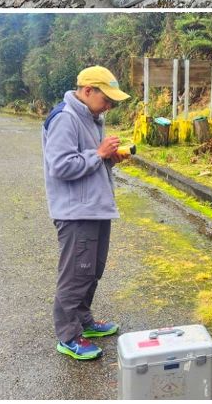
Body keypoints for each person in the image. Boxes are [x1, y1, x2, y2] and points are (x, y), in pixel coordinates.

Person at [42, 65, 132, 361]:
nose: (109, 105)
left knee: (92, 271)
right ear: (88, 91)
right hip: (75, 213)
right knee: (75, 275)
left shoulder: (93, 118)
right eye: (106, 98)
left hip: (95, 208)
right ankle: (68, 336)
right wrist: (99, 154)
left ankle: (84, 322)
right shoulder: (65, 118)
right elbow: (61, 166)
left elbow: (90, 161)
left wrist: (109, 159)